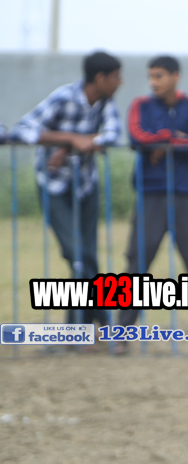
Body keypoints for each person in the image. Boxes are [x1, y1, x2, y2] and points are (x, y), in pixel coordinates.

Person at [13, 51, 123, 327]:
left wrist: (70, 146)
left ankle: (79, 327)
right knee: (77, 254)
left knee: (87, 255)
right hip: (54, 186)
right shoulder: (64, 97)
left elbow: (113, 134)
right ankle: (97, 319)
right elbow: (23, 130)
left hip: (85, 184)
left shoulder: (106, 103)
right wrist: (70, 139)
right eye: (116, 77)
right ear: (100, 78)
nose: (120, 82)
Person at [115, 55, 188, 343]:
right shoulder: (141, 105)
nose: (153, 82)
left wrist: (170, 143)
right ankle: (121, 331)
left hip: (187, 194)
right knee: (137, 262)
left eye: (159, 76)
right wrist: (172, 136)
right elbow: (136, 137)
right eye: (151, 76)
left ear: (175, 77)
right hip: (151, 194)